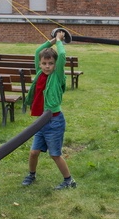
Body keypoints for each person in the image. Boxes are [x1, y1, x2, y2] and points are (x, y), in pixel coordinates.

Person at [20, 29, 77, 190]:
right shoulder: (39, 74)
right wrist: (51, 41)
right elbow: (38, 51)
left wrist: (59, 41)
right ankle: (31, 175)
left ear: (55, 64)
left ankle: (69, 180)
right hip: (40, 122)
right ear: (39, 64)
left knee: (55, 154)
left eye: (50, 63)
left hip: (54, 121)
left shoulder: (57, 75)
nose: (47, 66)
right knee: (33, 152)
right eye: (44, 63)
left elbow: (63, 57)